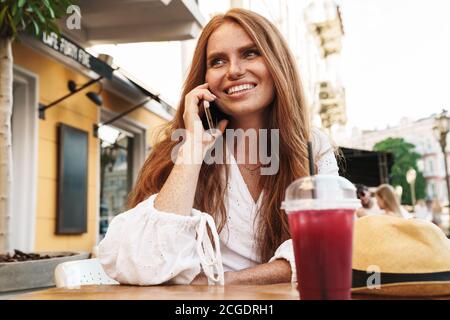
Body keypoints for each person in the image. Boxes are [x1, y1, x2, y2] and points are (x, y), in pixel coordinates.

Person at [97, 8, 339, 286]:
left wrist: (226, 281)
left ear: (277, 64)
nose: (234, 71)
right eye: (218, 61)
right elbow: (144, 263)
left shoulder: (313, 147)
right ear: (204, 79)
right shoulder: (177, 148)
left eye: (250, 53)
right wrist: (193, 150)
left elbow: (325, 248)